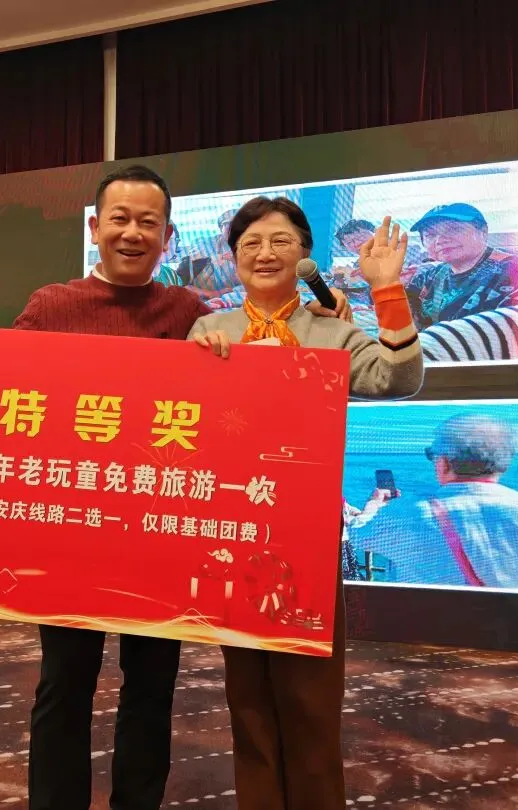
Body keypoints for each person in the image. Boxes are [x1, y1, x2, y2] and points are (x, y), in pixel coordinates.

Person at [0, 165, 352, 810]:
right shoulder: (50, 305)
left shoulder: (188, 313)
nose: (132, 233)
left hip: (158, 536)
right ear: (95, 228)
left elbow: (247, 367)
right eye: (119, 219)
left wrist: (327, 308)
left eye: (148, 223)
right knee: (63, 684)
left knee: (152, 688)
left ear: (168, 236)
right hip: (70, 529)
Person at [190, 197, 424, 810]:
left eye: (281, 241)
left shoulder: (333, 331)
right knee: (246, 696)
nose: (265, 253)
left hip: (307, 535)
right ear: (233, 258)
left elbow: (399, 378)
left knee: (311, 698)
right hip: (233, 530)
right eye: (250, 244)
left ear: (304, 254)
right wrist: (199, 369)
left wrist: (387, 288)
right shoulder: (209, 331)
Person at [348, 414, 518, 591]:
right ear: (503, 464)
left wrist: (374, 505)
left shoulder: (413, 514)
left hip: (427, 634)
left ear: (445, 462)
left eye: (432, 455)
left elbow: (357, 535)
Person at [405, 203, 518, 329]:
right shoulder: (429, 276)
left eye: (454, 229)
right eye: (430, 235)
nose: (440, 240)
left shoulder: (515, 272)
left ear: (483, 231)